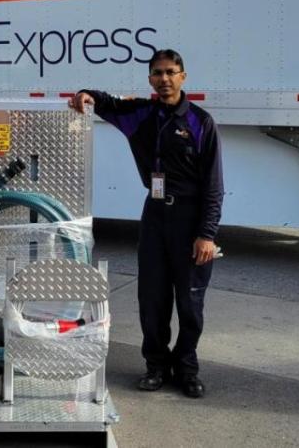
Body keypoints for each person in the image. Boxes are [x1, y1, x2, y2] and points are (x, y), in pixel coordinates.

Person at [68, 49, 223, 399]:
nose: (164, 79)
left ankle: (186, 368)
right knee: (152, 300)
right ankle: (155, 366)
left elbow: (214, 186)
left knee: (190, 305)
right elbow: (104, 102)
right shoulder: (142, 114)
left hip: (190, 219)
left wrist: (206, 234)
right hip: (154, 217)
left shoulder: (201, 122)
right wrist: (84, 95)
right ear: (150, 78)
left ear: (183, 76)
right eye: (157, 73)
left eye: (171, 72)